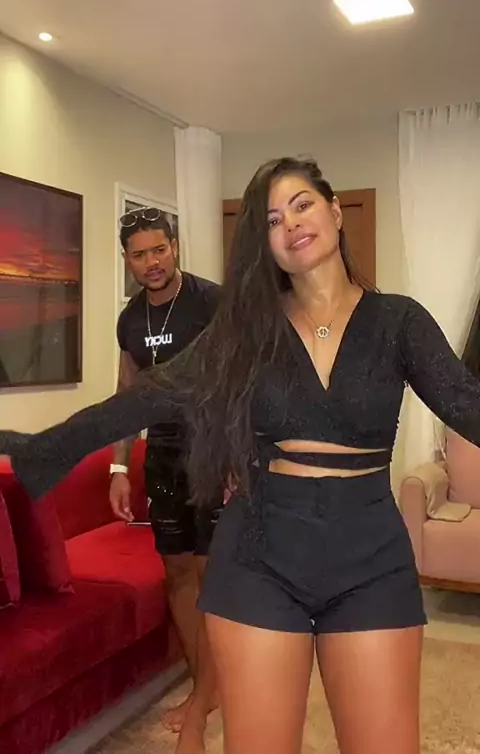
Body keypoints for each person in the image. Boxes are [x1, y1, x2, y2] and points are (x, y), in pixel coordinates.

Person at [2, 157, 479, 754]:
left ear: (335, 212)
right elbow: (150, 394)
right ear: (266, 243)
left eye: (302, 204)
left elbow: (467, 404)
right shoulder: (246, 330)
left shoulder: (398, 321)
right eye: (273, 219)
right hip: (260, 553)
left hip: (371, 557)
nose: (291, 223)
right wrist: (39, 450)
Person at [110, 207, 222, 753]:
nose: (151, 262)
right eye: (140, 254)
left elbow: (242, 380)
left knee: (211, 575)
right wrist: (117, 466)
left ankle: (207, 696)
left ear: (174, 247)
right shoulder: (130, 320)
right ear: (127, 260)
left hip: (213, 454)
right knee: (177, 573)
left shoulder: (211, 302)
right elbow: (127, 397)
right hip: (162, 457)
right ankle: (207, 685)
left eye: (159, 249)